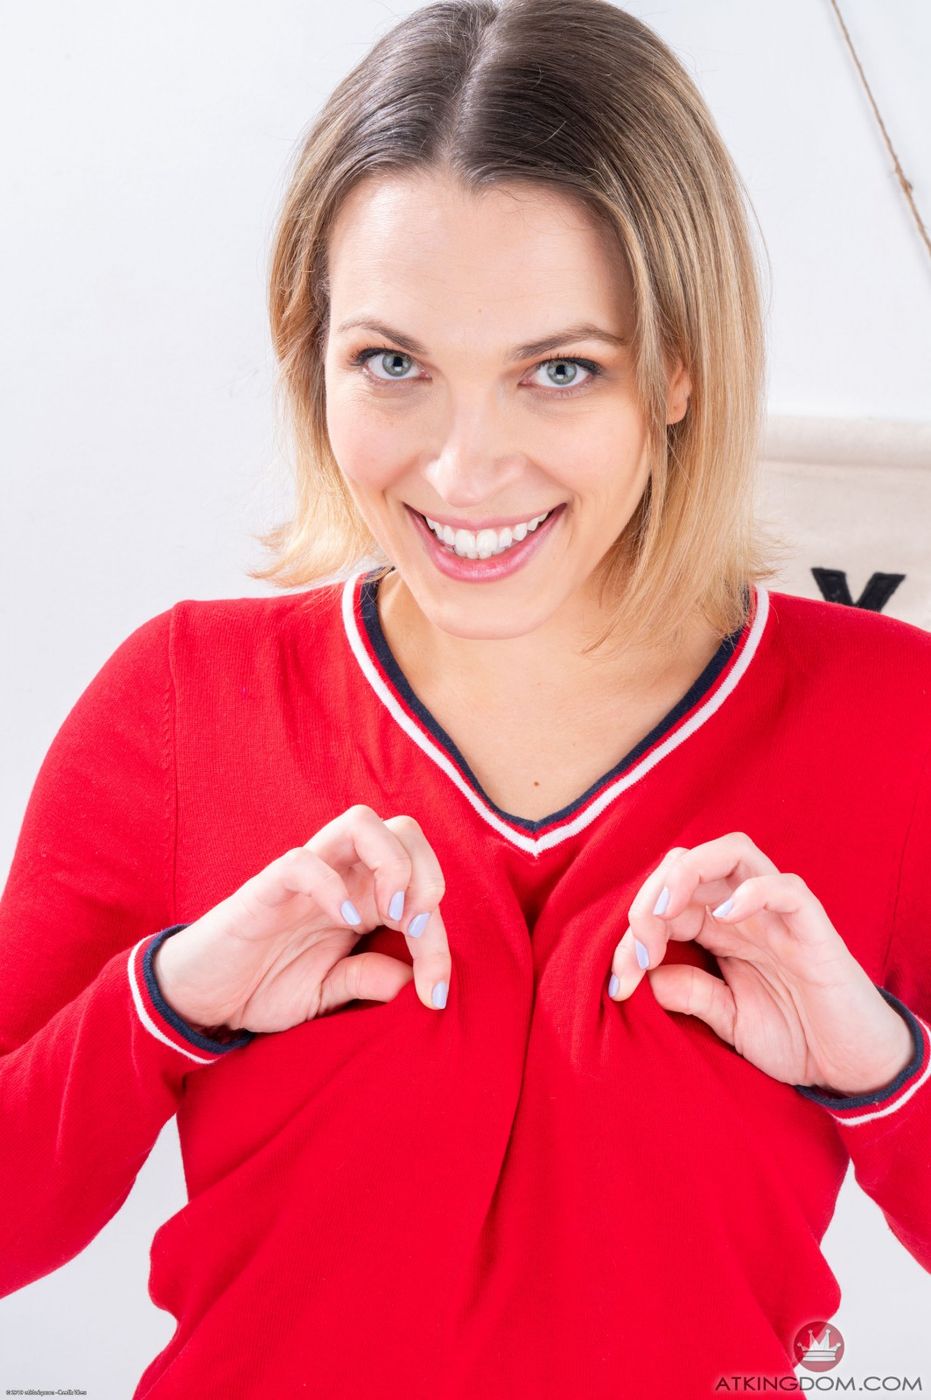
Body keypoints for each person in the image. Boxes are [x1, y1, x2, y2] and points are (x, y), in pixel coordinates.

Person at [1, 0, 929, 1395]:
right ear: (313, 353)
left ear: (680, 365)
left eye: (559, 370)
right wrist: (166, 1000)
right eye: (395, 364)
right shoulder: (184, 701)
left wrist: (882, 1072)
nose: (462, 470)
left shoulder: (892, 723)